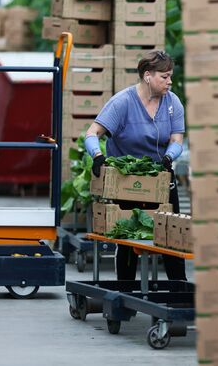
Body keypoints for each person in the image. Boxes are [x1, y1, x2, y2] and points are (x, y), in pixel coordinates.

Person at [84, 50, 186, 281]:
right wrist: (98, 156)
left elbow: (176, 139)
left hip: (159, 177)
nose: (169, 81)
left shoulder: (173, 103)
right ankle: (126, 288)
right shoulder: (122, 103)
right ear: (147, 75)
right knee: (128, 236)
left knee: (171, 232)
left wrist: (168, 158)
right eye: (164, 76)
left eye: (170, 76)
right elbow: (92, 134)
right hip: (125, 180)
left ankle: (178, 287)